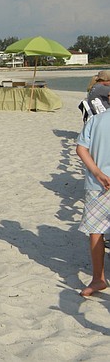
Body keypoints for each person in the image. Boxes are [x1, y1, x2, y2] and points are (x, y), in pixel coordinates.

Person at [75, 110, 110, 297]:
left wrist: (97, 172)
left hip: (97, 184)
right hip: (99, 184)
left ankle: (98, 278)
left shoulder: (96, 120)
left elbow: (81, 148)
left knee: (96, 231)